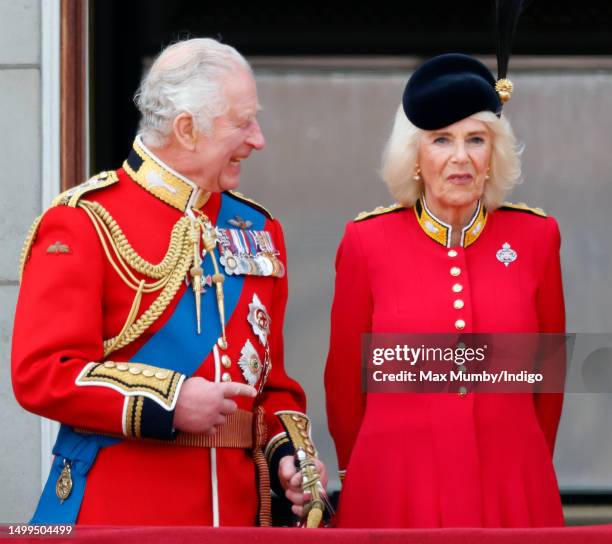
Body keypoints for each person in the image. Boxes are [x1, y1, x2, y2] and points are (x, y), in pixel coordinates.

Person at [12, 38, 325, 526]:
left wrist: (288, 456)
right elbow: (44, 373)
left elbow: (272, 386)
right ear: (187, 128)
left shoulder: (259, 230)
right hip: (123, 516)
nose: (258, 139)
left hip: (241, 518)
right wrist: (169, 402)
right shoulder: (84, 222)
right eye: (243, 122)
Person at [324, 52, 565, 528]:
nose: (460, 157)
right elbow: (345, 385)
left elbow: (547, 385)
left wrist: (528, 467)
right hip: (395, 485)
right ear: (415, 156)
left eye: (475, 139)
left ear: (492, 154)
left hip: (510, 484)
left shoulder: (536, 238)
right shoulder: (366, 242)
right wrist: (362, 474)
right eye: (441, 140)